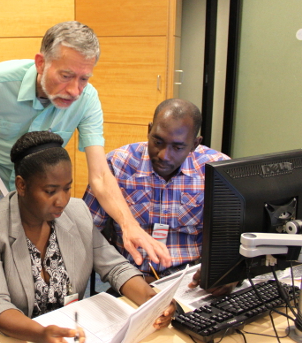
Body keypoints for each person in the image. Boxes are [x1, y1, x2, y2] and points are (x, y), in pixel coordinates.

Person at [0, 20, 171, 269]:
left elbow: (100, 174)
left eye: (84, 79)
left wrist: (129, 224)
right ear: (41, 63)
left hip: (39, 197)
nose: (75, 90)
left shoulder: (87, 100)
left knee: (35, 272)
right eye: (66, 76)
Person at [0, 131, 176, 343]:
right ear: (22, 185)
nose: (62, 201)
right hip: (9, 338)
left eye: (67, 188)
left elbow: (115, 267)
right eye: (50, 191)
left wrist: (152, 300)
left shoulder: (77, 212)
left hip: (66, 334)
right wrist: (41, 333)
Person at [83, 99, 232, 292]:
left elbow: (231, 239)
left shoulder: (215, 170)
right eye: (158, 141)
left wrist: (224, 272)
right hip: (132, 280)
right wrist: (125, 276)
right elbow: (87, 232)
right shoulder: (117, 165)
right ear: (149, 129)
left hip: (191, 282)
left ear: (195, 144)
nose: (164, 155)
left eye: (177, 147)